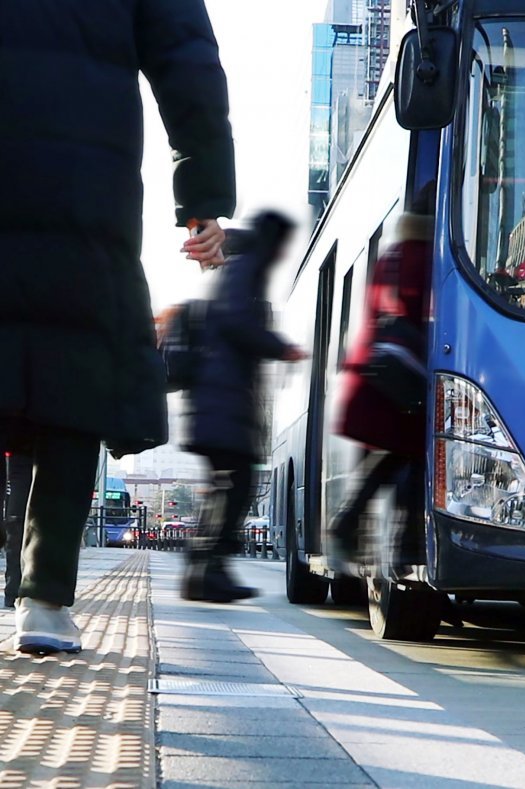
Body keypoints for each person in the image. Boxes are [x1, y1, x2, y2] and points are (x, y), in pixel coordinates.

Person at [0, 0, 234, 655]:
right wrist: (204, 201)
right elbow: (189, 64)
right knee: (72, 394)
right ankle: (44, 602)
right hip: (86, 194)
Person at [181, 211, 306, 602]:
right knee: (237, 486)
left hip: (216, 399)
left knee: (226, 486)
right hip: (224, 400)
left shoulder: (236, 264)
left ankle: (202, 573)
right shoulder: (246, 265)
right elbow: (236, 321)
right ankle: (209, 571)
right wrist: (280, 347)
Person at [328, 189, 434, 572]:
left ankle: (369, 535)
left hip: (380, 377)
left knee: (394, 457)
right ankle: (402, 546)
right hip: (400, 381)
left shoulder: (394, 253)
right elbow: (418, 310)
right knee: (413, 457)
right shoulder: (425, 256)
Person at [3, 453, 33, 609]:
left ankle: (12, 592)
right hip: (32, 490)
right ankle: (27, 592)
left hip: (15, 493)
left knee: (14, 541)